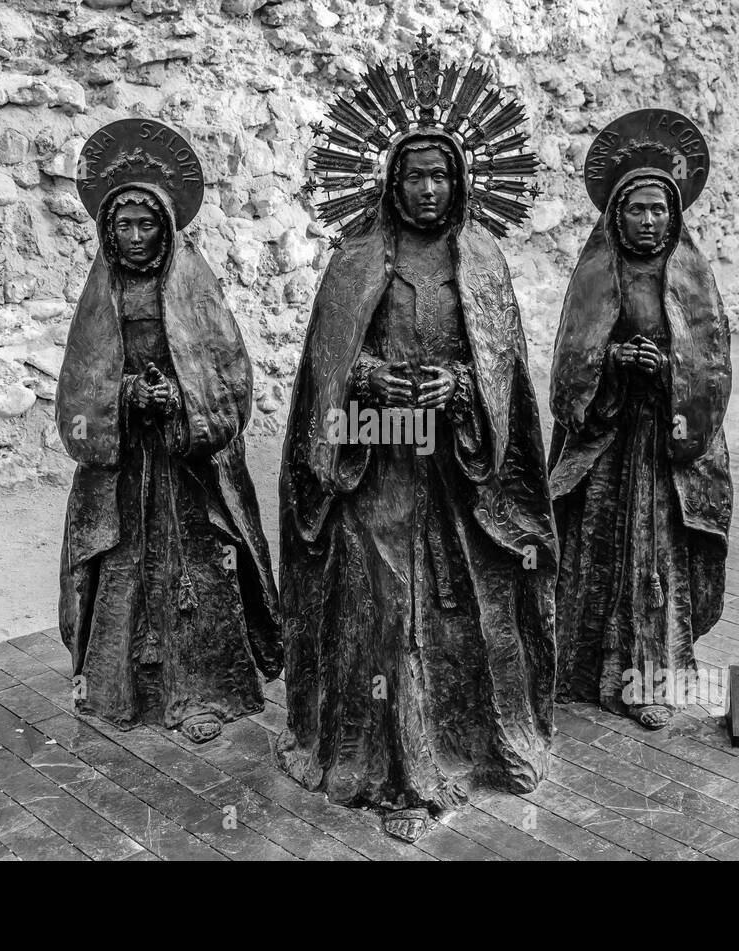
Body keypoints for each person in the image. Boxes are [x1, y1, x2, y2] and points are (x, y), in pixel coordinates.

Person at [277, 36, 556, 843]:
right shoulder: (357, 260)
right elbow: (323, 381)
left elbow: (506, 375)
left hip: (462, 471)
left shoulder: (485, 260)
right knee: (385, 605)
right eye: (415, 176)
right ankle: (394, 768)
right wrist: (367, 378)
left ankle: (479, 746)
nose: (429, 189)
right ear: (390, 182)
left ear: (461, 182)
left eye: (442, 176)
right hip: (377, 451)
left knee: (467, 605)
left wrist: (461, 387)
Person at [55, 120, 281, 744]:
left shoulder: (193, 285)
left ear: (167, 225)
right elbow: (81, 382)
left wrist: (182, 399)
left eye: (145, 224)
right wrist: (129, 395)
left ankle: (205, 690)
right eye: (123, 225)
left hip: (188, 466)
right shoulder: (100, 294)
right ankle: (116, 688)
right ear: (107, 230)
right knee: (126, 566)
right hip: (127, 462)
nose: (133, 236)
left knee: (196, 567)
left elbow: (227, 370)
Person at [549, 110, 732, 731]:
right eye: (637, 210)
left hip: (665, 442)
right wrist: (612, 362)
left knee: (654, 556)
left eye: (659, 210)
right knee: (597, 551)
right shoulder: (597, 272)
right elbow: (569, 363)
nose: (648, 221)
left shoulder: (693, 274)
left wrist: (669, 372)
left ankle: (652, 677)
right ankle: (581, 671)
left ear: (674, 214)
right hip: (611, 437)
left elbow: (711, 361)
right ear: (617, 214)